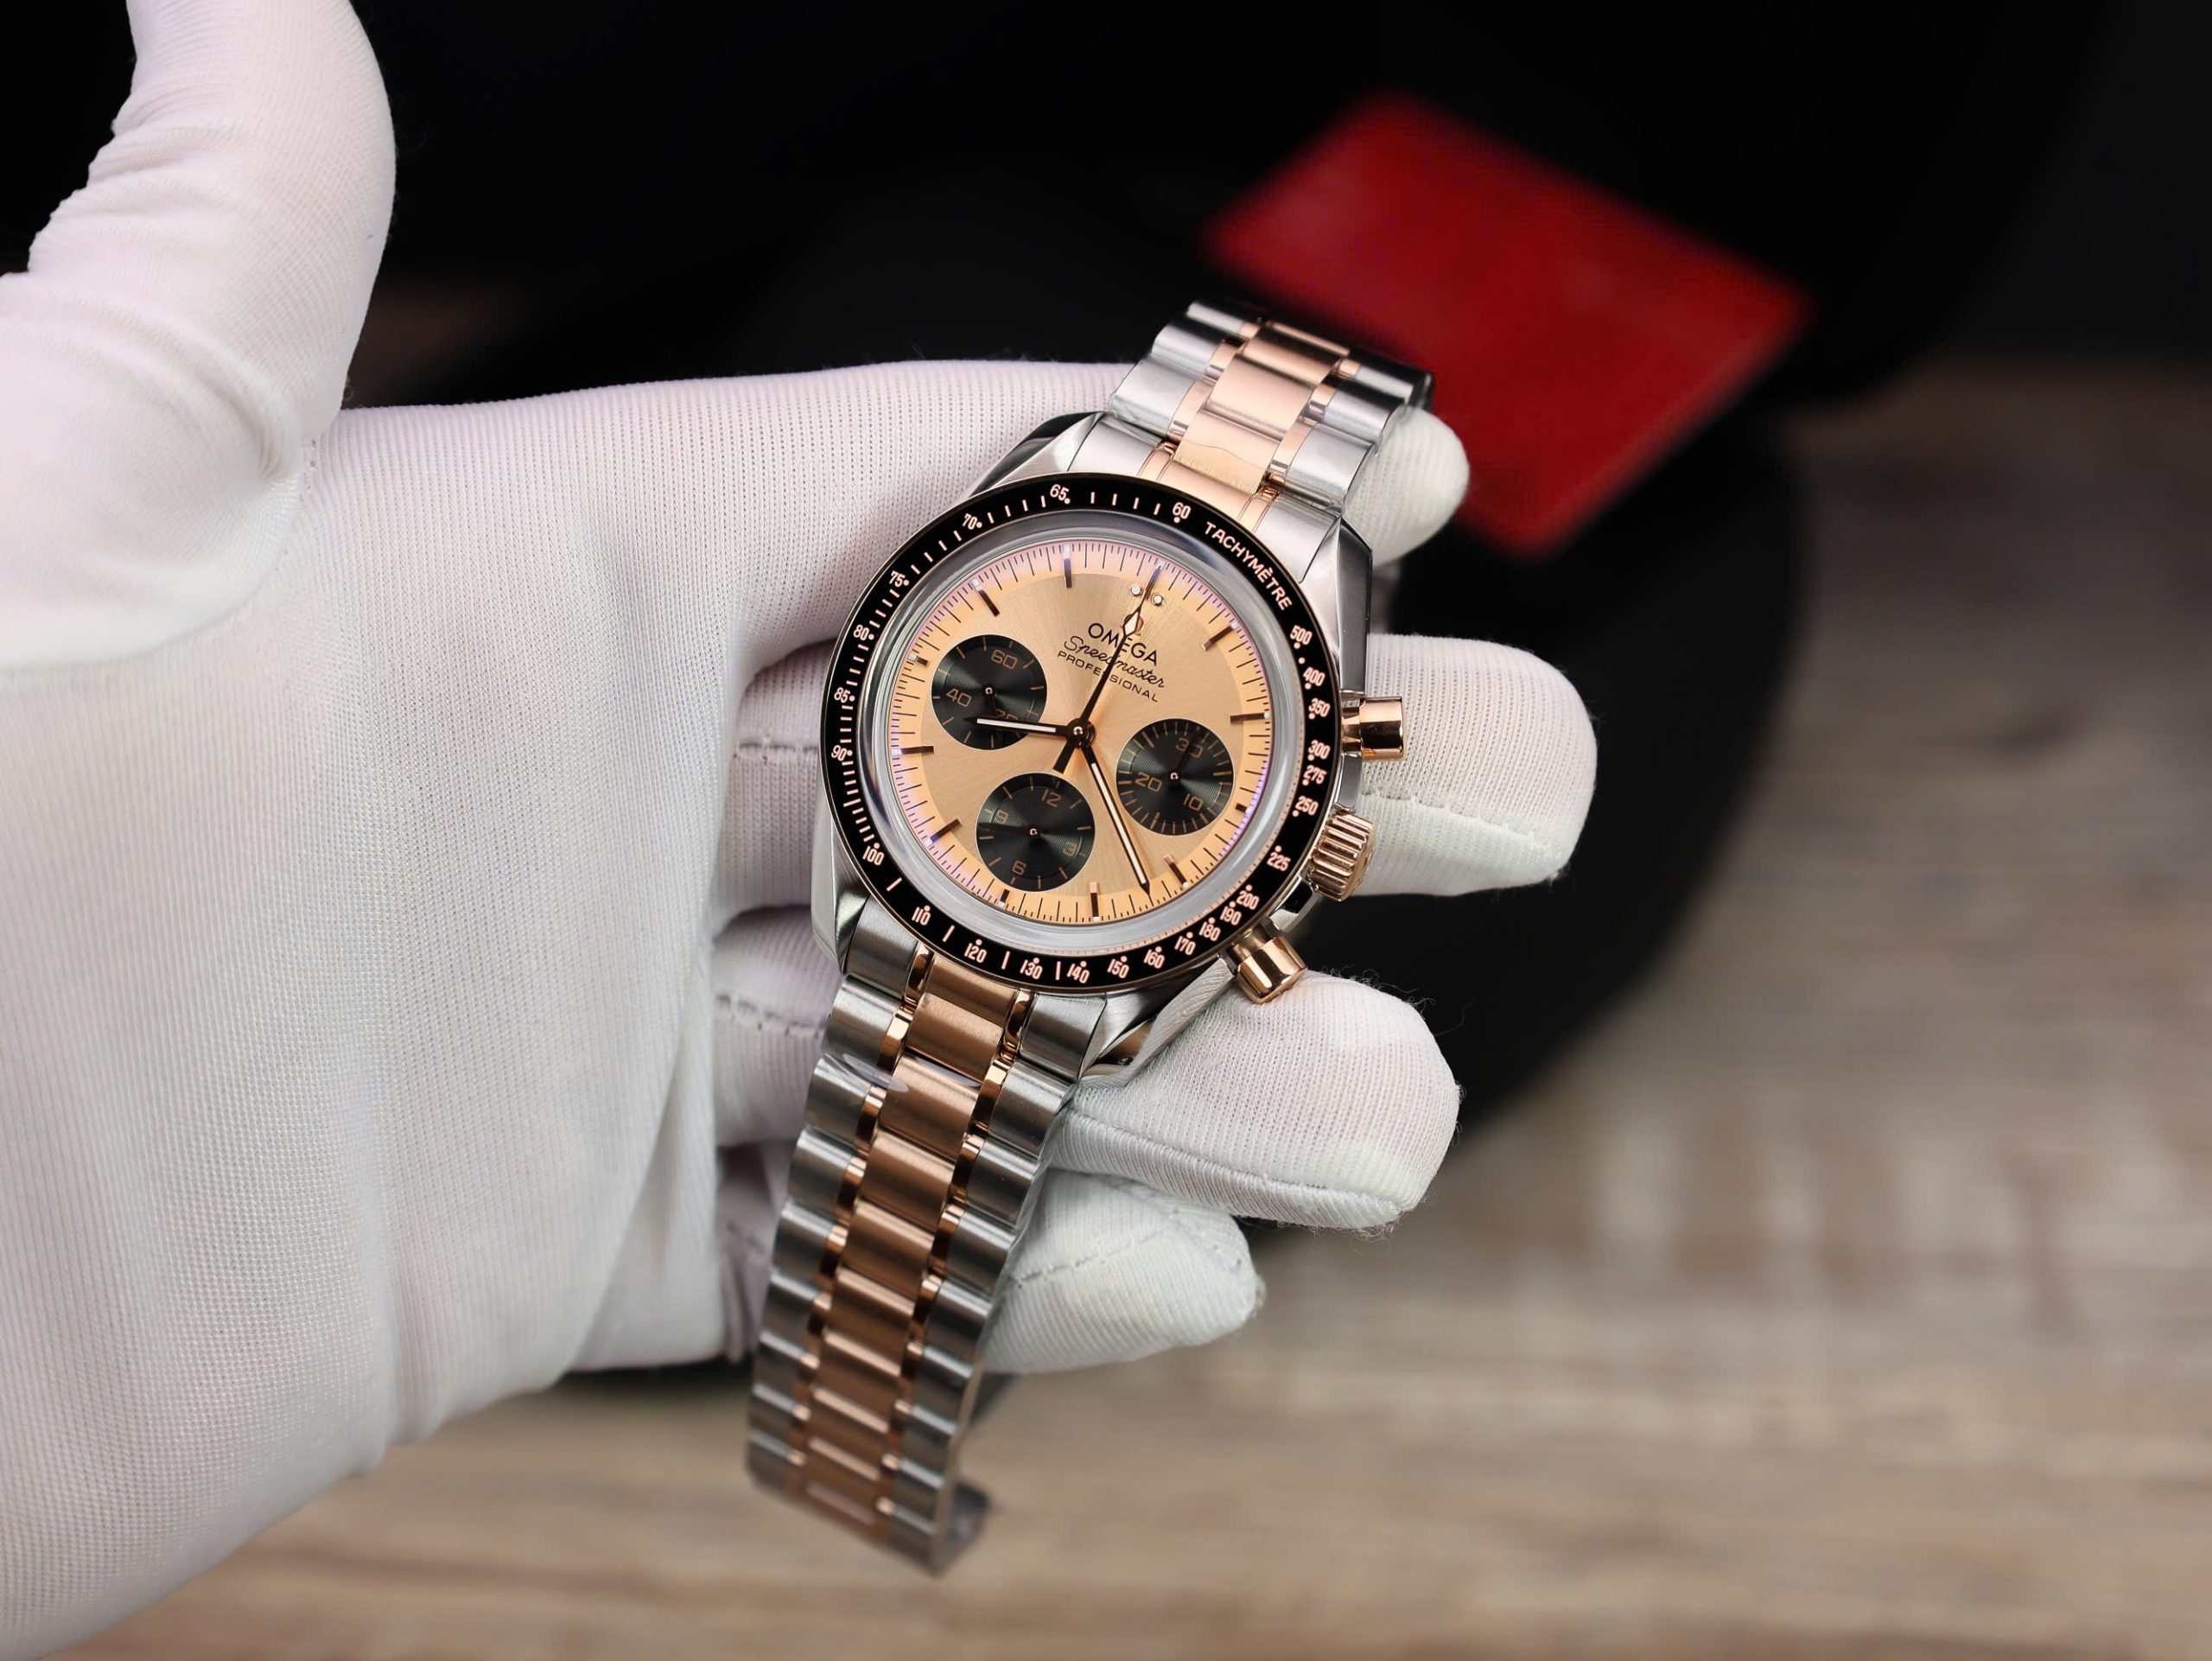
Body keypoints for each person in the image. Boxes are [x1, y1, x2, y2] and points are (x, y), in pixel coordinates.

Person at [0, 2, 1596, 1652]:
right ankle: (855, 1445)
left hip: (1018, 926)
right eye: (1027, 697)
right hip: (954, 872)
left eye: (1182, 778)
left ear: (1302, 836)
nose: (1066, 734)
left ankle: (858, 1449)